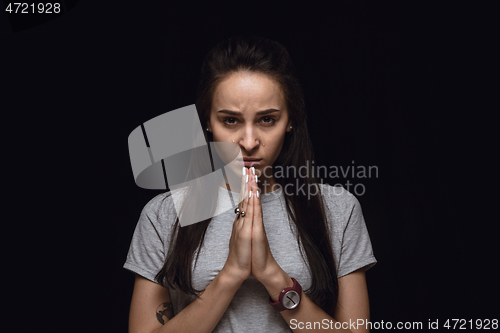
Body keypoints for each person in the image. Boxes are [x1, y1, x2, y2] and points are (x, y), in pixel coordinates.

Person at [124, 35, 377, 333]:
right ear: (207, 120)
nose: (248, 142)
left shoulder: (337, 209)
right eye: (230, 120)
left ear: (291, 119)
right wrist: (231, 274)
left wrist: (272, 275)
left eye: (267, 120)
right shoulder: (165, 213)